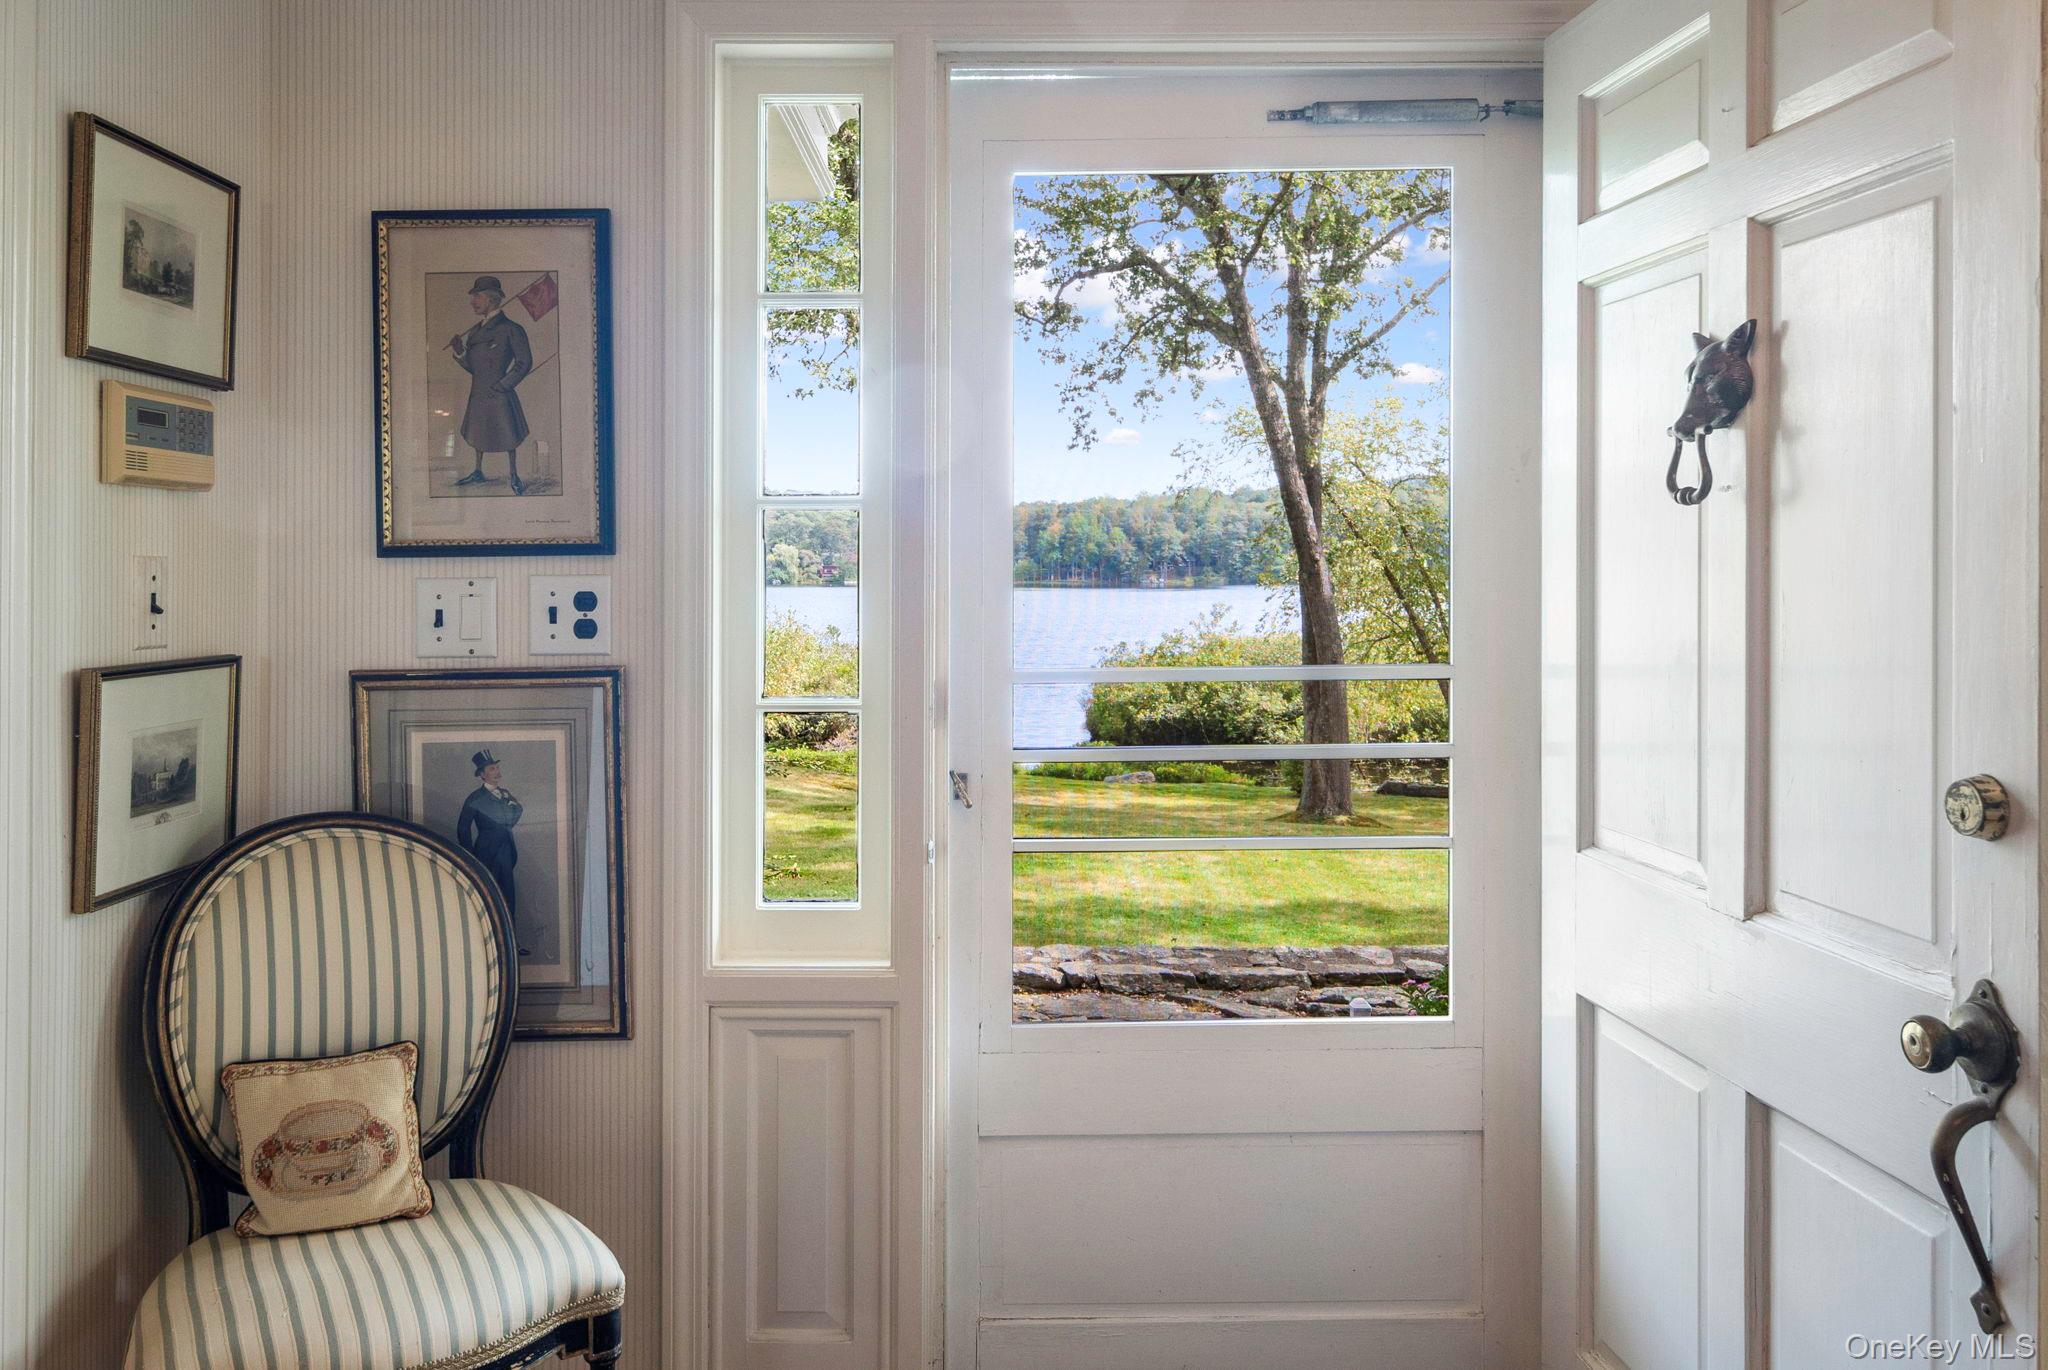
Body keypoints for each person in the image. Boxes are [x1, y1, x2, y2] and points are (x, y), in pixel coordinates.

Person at [447, 275, 533, 494]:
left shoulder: (511, 329)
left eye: (477, 296)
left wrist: (504, 385)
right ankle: (478, 471)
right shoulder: (475, 332)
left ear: (492, 298)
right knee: (478, 433)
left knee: (508, 435)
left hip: (500, 392)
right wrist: (459, 352)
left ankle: (514, 475)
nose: (472, 302)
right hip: (478, 393)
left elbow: (524, 362)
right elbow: (474, 367)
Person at [456, 750, 528, 955]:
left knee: (508, 897)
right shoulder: (475, 798)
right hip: (485, 854)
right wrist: (470, 857)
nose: (497, 771)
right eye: (492, 768)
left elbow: (513, 817)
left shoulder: (505, 794)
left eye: (497, 767)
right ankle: (488, 947)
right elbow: (462, 828)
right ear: (482, 774)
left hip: (506, 852)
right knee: (488, 896)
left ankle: (511, 945)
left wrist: (513, 807)